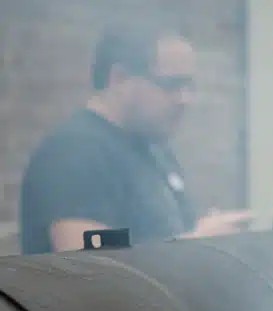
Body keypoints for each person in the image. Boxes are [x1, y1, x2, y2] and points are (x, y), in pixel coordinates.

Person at [20, 24, 251, 255]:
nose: (184, 99)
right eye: (171, 85)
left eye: (189, 85)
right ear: (120, 78)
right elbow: (87, 259)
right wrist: (195, 243)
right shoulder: (75, 152)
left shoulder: (153, 149)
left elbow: (158, 237)